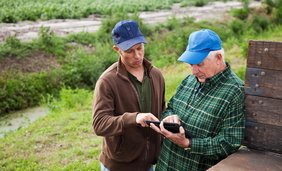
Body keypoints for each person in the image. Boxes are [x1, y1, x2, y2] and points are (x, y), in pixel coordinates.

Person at [150, 29, 245, 171]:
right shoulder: (189, 80)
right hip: (165, 165)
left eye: (199, 64)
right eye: (190, 64)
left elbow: (229, 143)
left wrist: (188, 143)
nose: (194, 71)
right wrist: (169, 117)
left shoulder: (236, 92)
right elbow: (170, 109)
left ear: (218, 58)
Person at [92, 20, 165, 171]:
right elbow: (99, 124)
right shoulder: (107, 81)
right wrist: (134, 118)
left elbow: (162, 111)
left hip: (149, 163)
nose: (137, 55)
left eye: (140, 48)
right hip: (119, 165)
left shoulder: (156, 75)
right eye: (130, 51)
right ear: (117, 49)